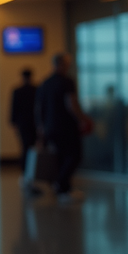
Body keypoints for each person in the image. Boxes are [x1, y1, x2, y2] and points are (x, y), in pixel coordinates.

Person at [35, 53, 91, 199]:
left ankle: (63, 188)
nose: (69, 66)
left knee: (60, 157)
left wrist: (42, 127)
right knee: (74, 155)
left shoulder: (45, 83)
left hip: (50, 128)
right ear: (61, 64)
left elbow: (40, 108)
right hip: (65, 127)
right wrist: (84, 119)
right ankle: (61, 185)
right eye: (67, 64)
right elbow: (71, 104)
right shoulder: (67, 82)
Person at [10, 69, 38, 167]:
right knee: (33, 146)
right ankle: (32, 168)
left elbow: (14, 107)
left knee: (25, 146)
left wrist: (14, 122)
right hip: (34, 122)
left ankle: (25, 168)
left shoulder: (18, 91)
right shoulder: (36, 90)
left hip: (23, 123)